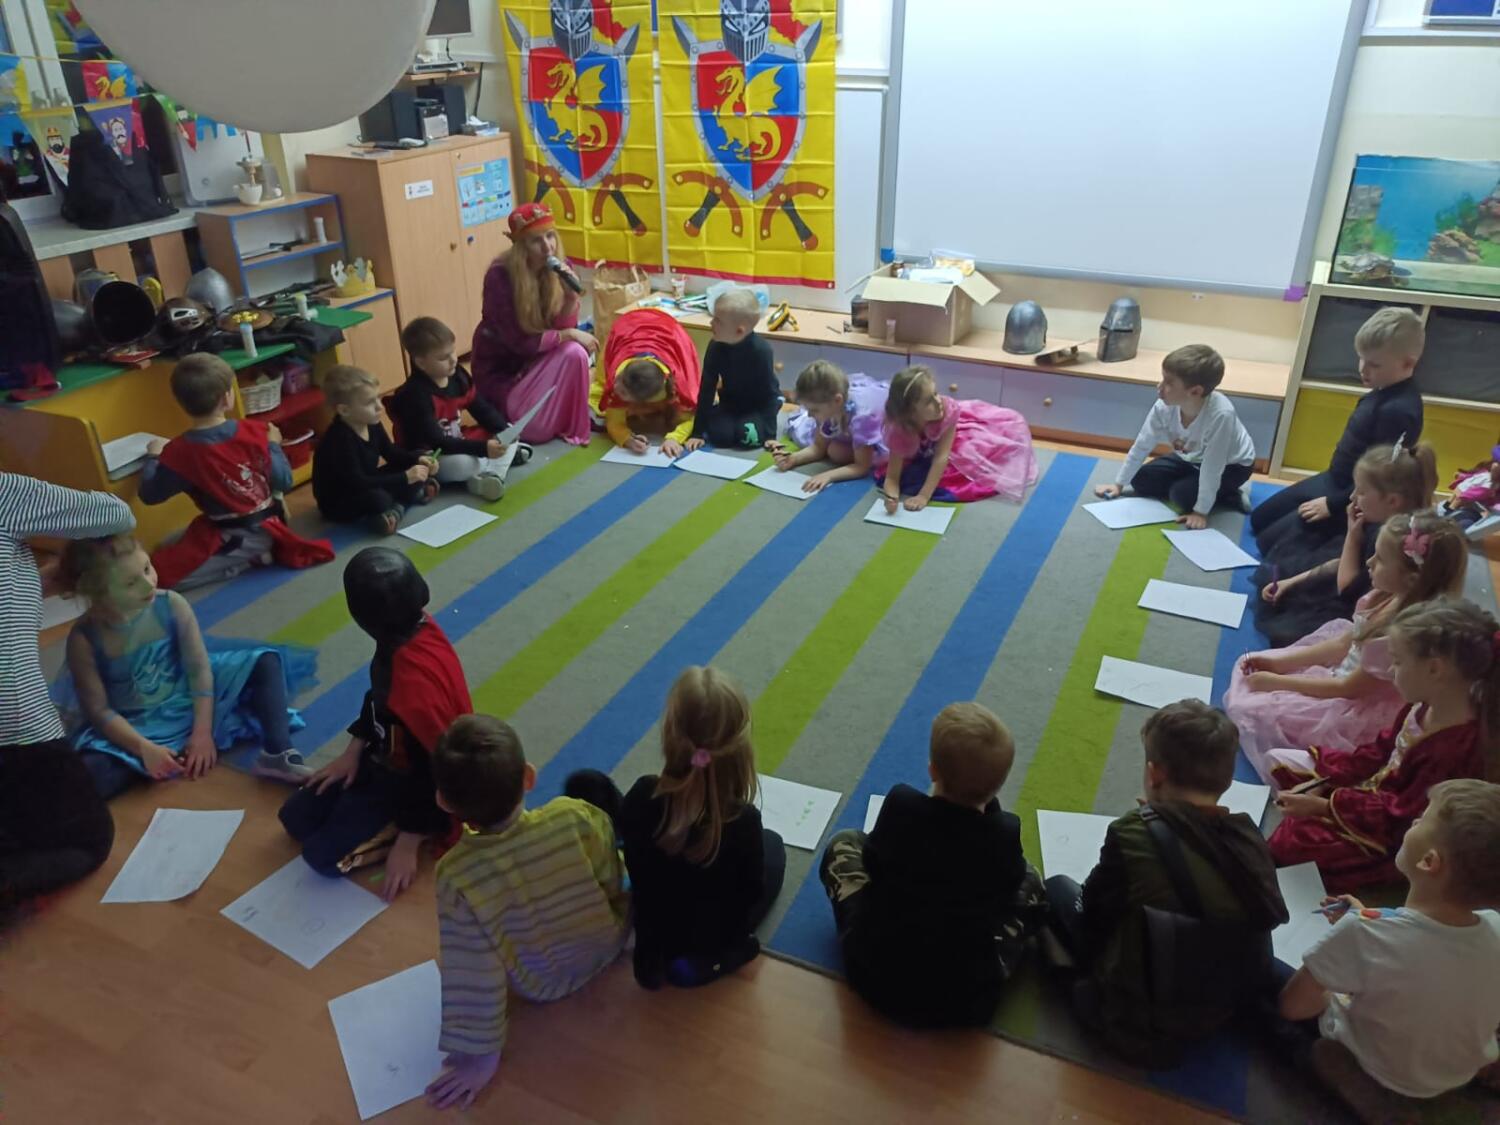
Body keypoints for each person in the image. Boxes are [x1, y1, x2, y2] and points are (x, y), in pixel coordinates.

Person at [1043, 701, 1288, 1066]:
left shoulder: (1133, 832)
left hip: (1146, 1009)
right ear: (1226, 780)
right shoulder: (1248, 836)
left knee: (1056, 890)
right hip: (1225, 1000)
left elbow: (1095, 911)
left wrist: (1147, 823)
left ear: (1154, 774)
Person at [424, 713, 629, 1111]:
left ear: (444, 802)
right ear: (529, 777)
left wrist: (482, 1055)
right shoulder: (574, 815)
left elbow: (473, 968)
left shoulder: (456, 875)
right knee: (592, 788)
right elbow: (613, 879)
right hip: (607, 944)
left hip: (540, 983)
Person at [1276, 780, 1500, 1115]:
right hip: (1452, 1075)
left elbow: (1293, 1007)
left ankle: (1365, 1089)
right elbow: (1424, 951)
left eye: (1422, 820)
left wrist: (1335, 990)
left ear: (1428, 861)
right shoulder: (1495, 927)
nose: (1413, 821)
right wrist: (1372, 918)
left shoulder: (1364, 932)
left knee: (1270, 992)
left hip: (1380, 1067)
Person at [819, 702, 1041, 1027]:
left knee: (844, 842)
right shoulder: (1004, 833)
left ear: (933, 770)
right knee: (1032, 879)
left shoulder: (901, 805)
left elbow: (872, 862)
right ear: (999, 784)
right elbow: (1008, 890)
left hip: (876, 976)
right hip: (966, 998)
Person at [52, 534, 315, 797]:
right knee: (86, 779)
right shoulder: (84, 638)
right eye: (131, 583)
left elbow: (199, 669)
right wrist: (145, 749)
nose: (148, 584)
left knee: (265, 662)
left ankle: (277, 752)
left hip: (193, 700)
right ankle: (161, 757)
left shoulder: (171, 603)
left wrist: (202, 734)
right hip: (138, 726)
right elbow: (98, 711)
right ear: (98, 594)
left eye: (147, 568)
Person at [1267, 597, 1498, 892]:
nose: (1389, 669)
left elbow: (1402, 816)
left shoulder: (1456, 748)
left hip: (1392, 833)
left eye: (1398, 662)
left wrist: (1326, 805)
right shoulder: (1423, 705)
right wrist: (1329, 778)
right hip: (1374, 791)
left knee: (1291, 843)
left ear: (1435, 669)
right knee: (1278, 760)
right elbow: (1382, 750)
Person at [278, 548, 471, 901]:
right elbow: (380, 701)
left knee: (322, 858)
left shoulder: (412, 685)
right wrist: (352, 751)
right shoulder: (405, 635)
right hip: (387, 756)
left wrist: (409, 839)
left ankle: (401, 827)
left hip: (419, 786)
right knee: (294, 818)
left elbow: (432, 769)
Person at [1225, 513, 1466, 781]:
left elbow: (1347, 688)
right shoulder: (1384, 597)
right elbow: (1343, 643)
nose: (1369, 563)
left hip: (1355, 702)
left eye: (1380, 559)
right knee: (1253, 674)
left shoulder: (1396, 637)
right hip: (1342, 674)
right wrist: (1280, 664)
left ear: (1411, 580)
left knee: (1254, 710)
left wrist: (1278, 682)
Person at [0, 475, 129, 925]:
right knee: (89, 841)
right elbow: (115, 513)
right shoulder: (5, 495)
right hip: (16, 726)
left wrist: (39, 579)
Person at [611, 666, 785, 989]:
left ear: (670, 735)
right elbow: (750, 894)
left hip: (657, 925)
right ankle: (716, 957)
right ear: (740, 750)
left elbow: (636, 868)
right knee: (774, 846)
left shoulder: (641, 796)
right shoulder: (742, 821)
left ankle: (656, 955)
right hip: (712, 932)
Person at [141, 353, 333, 590]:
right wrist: (273, 445)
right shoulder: (258, 431)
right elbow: (283, 481)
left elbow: (149, 494)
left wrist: (154, 457)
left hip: (245, 534)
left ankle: (243, 562)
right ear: (227, 398)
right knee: (166, 548)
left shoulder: (180, 451)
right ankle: (249, 553)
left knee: (158, 578)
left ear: (180, 402)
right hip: (245, 525)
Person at [1250, 307, 1425, 555]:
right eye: (1361, 359)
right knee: (1259, 519)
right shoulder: (1382, 388)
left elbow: (1381, 479)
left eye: (1374, 364)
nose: (1363, 369)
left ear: (1408, 363)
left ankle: (1339, 540)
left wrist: (1333, 505)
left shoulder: (1399, 411)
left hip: (1354, 495)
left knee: (1268, 545)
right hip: (1335, 478)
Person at [1252, 441, 1438, 648]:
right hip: (1354, 586)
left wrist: (1352, 535)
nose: (1352, 497)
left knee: (1288, 634)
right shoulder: (1382, 521)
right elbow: (1342, 562)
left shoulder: (1391, 539)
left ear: (1393, 501)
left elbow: (1347, 589)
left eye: (1361, 492)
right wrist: (1291, 582)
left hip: (1356, 609)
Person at [469, 202, 597, 445]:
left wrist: (570, 298)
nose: (547, 246)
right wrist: (570, 333)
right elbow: (521, 344)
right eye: (536, 240)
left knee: (575, 353)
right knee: (536, 432)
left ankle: (564, 421)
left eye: (550, 236)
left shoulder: (561, 267)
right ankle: (527, 417)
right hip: (505, 373)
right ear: (521, 246)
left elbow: (561, 329)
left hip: (539, 363)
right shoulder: (500, 277)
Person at [1093, 344, 1256, 528]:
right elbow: (1143, 443)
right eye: (1162, 379)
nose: (1160, 386)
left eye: (1169, 383)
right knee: (1140, 480)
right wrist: (1119, 484)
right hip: (1191, 457)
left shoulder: (1221, 415)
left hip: (1232, 465)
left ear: (1195, 391)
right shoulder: (1164, 405)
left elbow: (1213, 466)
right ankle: (1195, 485)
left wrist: (1200, 512)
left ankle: (1230, 493)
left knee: (1182, 496)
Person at [389, 316, 528, 503]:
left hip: (458, 441)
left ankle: (492, 475)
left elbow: (481, 409)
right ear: (421, 363)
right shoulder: (415, 395)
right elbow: (438, 442)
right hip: (433, 455)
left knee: (508, 430)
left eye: (453, 352)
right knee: (463, 465)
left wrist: (503, 431)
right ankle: (494, 468)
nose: (453, 360)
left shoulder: (457, 376)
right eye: (443, 358)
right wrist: (483, 449)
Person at [880, 363, 1038, 510]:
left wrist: (923, 495)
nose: (938, 401)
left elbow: (941, 456)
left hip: (957, 438)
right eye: (928, 401)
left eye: (936, 393)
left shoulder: (946, 410)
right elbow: (892, 477)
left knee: (977, 463)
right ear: (910, 412)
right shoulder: (900, 427)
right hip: (921, 442)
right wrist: (891, 498)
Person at [312, 364, 439, 535]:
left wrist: (418, 459)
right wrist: (405, 478)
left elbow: (391, 453)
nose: (379, 407)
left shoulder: (372, 422)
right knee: (379, 499)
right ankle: (399, 506)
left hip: (366, 481)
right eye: (369, 403)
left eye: (378, 398)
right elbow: (357, 482)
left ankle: (398, 504)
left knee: (415, 460)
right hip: (340, 499)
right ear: (344, 410)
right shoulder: (339, 439)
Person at [598, 306, 701, 459]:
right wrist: (627, 439)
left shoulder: (679, 389)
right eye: (619, 380)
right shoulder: (621, 375)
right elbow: (613, 420)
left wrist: (674, 438)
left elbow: (692, 418)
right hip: (630, 326)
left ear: (639, 401)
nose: (616, 386)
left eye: (623, 392)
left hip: (671, 332)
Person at [686, 288, 780, 451]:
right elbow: (707, 388)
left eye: (717, 320)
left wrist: (771, 435)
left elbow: (769, 393)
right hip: (729, 404)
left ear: (739, 331)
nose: (711, 323)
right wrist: (697, 432)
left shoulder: (761, 351)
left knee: (749, 439)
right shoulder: (715, 346)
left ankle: (764, 418)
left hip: (755, 406)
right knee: (721, 439)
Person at [774, 360, 888, 493]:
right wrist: (794, 459)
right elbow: (818, 447)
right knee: (834, 450)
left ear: (837, 401)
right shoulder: (829, 408)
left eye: (814, 410)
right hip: (844, 417)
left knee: (837, 453)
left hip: (878, 419)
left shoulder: (863, 417)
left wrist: (827, 476)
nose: (809, 415)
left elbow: (861, 467)